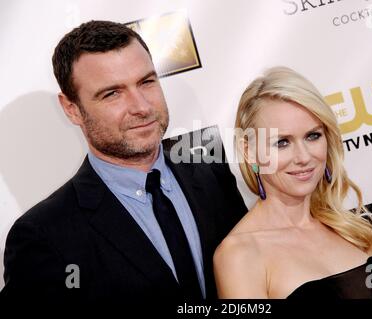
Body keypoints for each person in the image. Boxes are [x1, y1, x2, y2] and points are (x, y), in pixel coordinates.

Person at [1, 20, 247, 304]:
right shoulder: (43, 235)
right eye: (112, 93)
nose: (142, 107)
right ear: (72, 110)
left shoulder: (210, 173)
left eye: (146, 82)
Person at [213, 67, 372, 299]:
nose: (303, 157)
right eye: (282, 142)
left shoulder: (342, 227)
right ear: (249, 151)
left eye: (313, 136)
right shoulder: (239, 255)